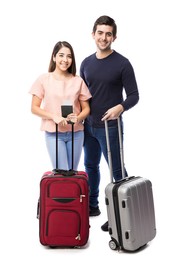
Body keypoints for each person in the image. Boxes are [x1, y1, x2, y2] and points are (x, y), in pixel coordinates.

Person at [80, 15, 139, 231]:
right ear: (93, 34)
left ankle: (119, 214)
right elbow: (83, 96)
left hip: (110, 127)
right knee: (90, 166)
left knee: (116, 170)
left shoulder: (122, 63)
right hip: (88, 126)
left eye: (108, 34)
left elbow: (134, 95)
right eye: (100, 33)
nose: (103, 38)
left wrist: (120, 108)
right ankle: (92, 206)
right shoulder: (86, 63)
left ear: (114, 36)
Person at [29, 41, 91, 170]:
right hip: (54, 133)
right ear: (54, 57)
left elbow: (86, 109)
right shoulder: (44, 79)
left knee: (73, 173)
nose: (65, 60)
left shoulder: (78, 80)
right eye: (61, 55)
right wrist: (53, 116)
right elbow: (34, 108)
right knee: (62, 172)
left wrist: (78, 118)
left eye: (69, 56)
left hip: (76, 133)